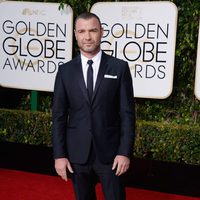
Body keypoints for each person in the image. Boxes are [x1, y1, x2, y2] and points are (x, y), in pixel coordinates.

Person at [52, 12, 135, 200]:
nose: (87, 36)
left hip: (111, 156)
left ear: (101, 32)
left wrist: (124, 152)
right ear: (75, 34)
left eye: (92, 30)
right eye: (82, 31)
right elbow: (58, 116)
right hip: (77, 155)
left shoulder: (119, 68)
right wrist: (59, 155)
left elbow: (127, 114)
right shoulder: (65, 71)